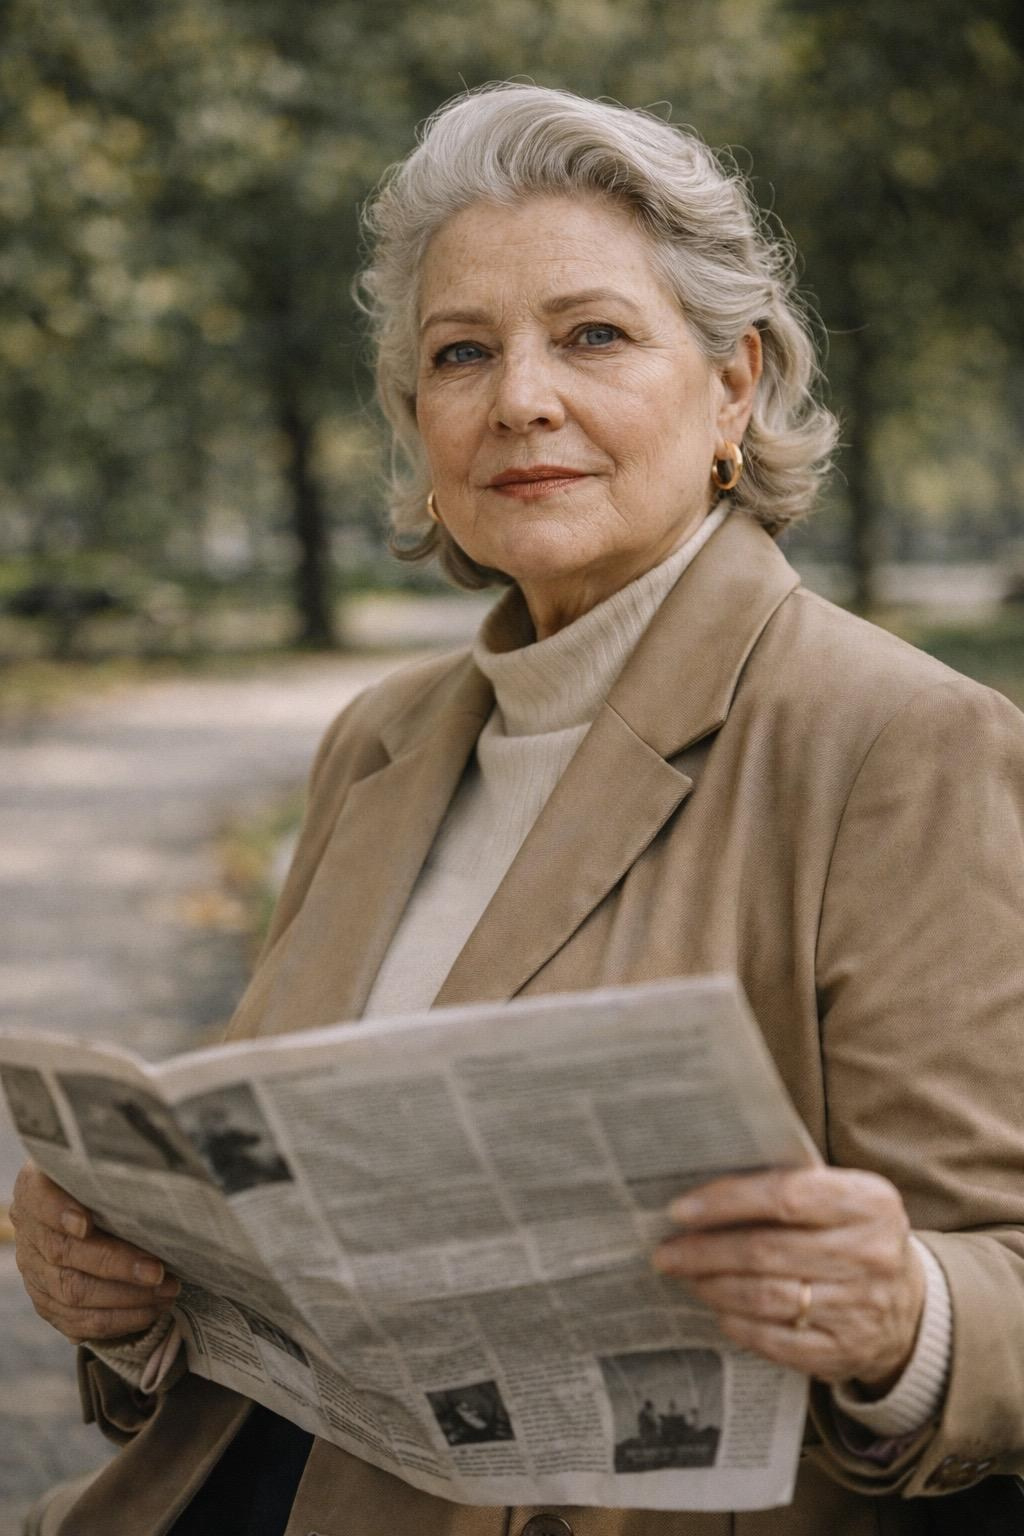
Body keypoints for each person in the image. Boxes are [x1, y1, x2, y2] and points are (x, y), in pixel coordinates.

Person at [11, 82, 1024, 1536]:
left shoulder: (898, 743)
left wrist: (905, 1313)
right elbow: (257, 1212)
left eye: (594, 334)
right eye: (461, 353)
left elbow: (1010, 1287)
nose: (520, 399)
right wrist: (119, 1296)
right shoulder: (379, 742)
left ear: (733, 386)